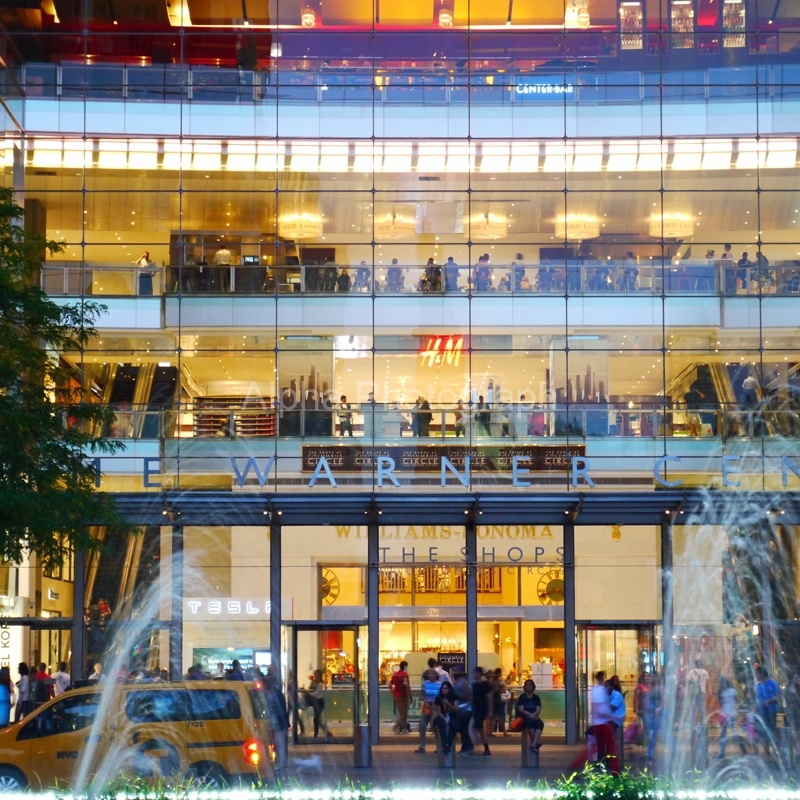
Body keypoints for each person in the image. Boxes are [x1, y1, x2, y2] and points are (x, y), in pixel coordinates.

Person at [587, 670, 617, 771]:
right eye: (603, 678)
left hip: (600, 722)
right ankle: (611, 765)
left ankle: (602, 762)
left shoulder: (598, 690)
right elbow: (598, 707)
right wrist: (608, 716)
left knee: (602, 744)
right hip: (602, 722)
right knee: (609, 744)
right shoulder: (598, 691)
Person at [264, 674, 290, 773]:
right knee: (279, 744)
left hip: (276, 721)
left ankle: (280, 764)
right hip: (277, 722)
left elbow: (279, 709)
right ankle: (280, 763)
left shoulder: (271, 694)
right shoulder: (276, 693)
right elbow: (282, 708)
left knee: (278, 743)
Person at [755, 666, 780, 756]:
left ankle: (776, 753)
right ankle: (767, 754)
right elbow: (757, 700)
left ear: (762, 674)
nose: (756, 676)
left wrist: (768, 701)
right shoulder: (758, 686)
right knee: (763, 733)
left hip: (772, 711)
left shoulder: (773, 684)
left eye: (757, 674)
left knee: (773, 732)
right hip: (762, 712)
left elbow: (778, 698)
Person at [416, 668, 442, 753]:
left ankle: (438, 747)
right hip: (427, 706)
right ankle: (422, 746)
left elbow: (441, 696)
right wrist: (426, 702)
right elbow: (422, 695)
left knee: (436, 727)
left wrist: (434, 702)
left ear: (435, 675)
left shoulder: (439, 684)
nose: (431, 675)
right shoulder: (425, 684)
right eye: (429, 674)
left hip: (435, 707)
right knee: (422, 726)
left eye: (432, 673)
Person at [516, 679, 544, 752]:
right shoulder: (522, 697)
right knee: (529, 723)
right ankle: (536, 742)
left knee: (540, 724)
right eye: (526, 685)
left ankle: (534, 743)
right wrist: (530, 715)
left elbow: (538, 709)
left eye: (530, 685)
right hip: (524, 717)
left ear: (533, 687)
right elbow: (521, 709)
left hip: (534, 716)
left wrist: (534, 715)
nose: (528, 686)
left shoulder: (536, 698)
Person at [470, 667, 493, 756]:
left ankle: (470, 746)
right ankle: (486, 749)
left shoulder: (485, 685)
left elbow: (489, 697)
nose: (475, 675)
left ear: (480, 674)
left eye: (476, 673)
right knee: (480, 729)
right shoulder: (474, 685)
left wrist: (490, 710)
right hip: (476, 709)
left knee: (476, 728)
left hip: (482, 709)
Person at [452, 668, 475, 754]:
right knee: (463, 729)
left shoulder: (463, 682)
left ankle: (468, 747)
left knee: (464, 729)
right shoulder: (458, 682)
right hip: (461, 708)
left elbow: (467, 696)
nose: (454, 672)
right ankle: (466, 746)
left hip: (465, 708)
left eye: (456, 670)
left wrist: (456, 696)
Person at [432, 681, 459, 755]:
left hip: (452, 715)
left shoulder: (454, 696)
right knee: (442, 725)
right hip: (442, 716)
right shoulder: (438, 698)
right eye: (443, 688)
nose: (444, 690)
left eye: (446, 688)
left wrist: (448, 703)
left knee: (454, 725)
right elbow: (439, 712)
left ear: (449, 689)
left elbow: (456, 709)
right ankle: (445, 744)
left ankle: (447, 744)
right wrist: (445, 719)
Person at [717, 675, 739, 759]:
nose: (721, 685)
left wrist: (736, 709)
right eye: (720, 684)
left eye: (721, 683)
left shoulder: (732, 691)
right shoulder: (722, 692)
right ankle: (722, 752)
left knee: (734, 733)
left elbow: (736, 701)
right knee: (723, 734)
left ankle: (743, 748)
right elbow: (721, 704)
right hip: (724, 715)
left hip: (731, 714)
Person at [391, 661, 412, 734]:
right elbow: (407, 686)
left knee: (401, 713)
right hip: (403, 695)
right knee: (404, 714)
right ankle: (396, 726)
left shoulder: (396, 674)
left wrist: (392, 692)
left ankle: (403, 729)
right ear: (405, 667)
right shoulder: (405, 675)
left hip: (396, 695)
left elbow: (390, 684)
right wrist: (410, 696)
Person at [687, 659, 710, 726]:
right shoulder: (705, 672)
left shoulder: (692, 671)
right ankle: (702, 724)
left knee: (693, 709)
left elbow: (688, 681)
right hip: (702, 692)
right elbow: (707, 683)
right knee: (702, 709)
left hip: (694, 692)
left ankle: (693, 724)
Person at [307, 669, 328, 738]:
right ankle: (323, 732)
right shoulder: (314, 683)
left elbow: (315, 694)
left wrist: (308, 693)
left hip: (319, 702)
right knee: (317, 718)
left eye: (316, 675)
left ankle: (318, 733)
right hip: (316, 702)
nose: (315, 676)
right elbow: (311, 690)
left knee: (317, 718)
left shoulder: (320, 684)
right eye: (314, 674)